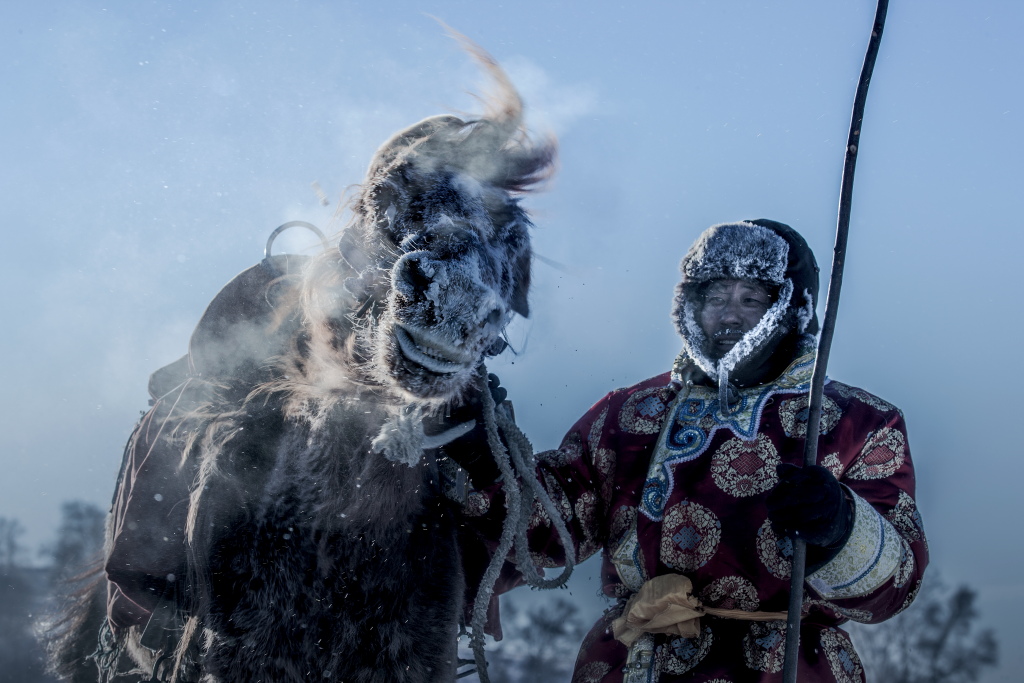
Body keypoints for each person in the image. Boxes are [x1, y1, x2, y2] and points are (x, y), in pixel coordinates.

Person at [447, 219, 928, 683]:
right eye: (715, 296)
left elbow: (894, 591)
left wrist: (841, 529)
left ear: (789, 308)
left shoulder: (858, 422)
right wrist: (479, 453)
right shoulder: (631, 413)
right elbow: (551, 525)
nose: (730, 313)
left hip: (785, 667)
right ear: (689, 307)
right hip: (633, 663)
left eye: (751, 298)